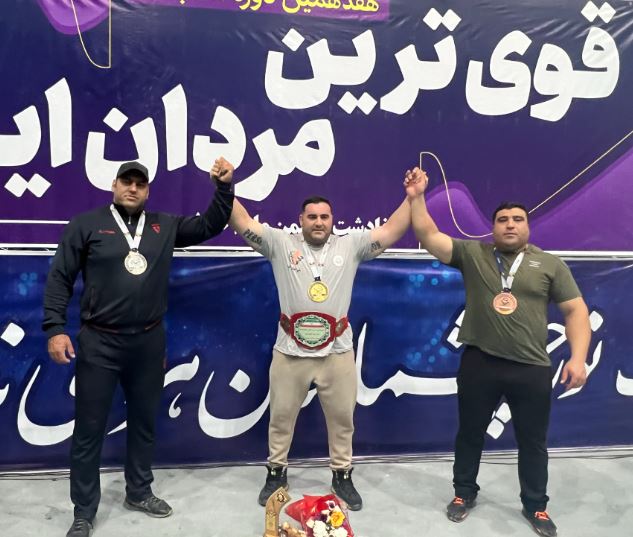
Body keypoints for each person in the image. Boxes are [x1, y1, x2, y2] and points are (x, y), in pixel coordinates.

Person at [43, 160, 234, 537]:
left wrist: (224, 188)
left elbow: (210, 225)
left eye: (140, 184)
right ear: (114, 185)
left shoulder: (164, 226)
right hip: (99, 341)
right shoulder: (86, 224)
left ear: (148, 191)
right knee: (89, 428)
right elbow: (60, 278)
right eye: (126, 182)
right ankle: (84, 511)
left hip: (147, 341)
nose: (133, 188)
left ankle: (139, 491)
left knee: (144, 422)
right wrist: (54, 329)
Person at [405, 167, 590, 537]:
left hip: (531, 368)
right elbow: (428, 235)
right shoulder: (474, 254)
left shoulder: (550, 264)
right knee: (470, 433)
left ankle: (536, 505)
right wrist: (417, 197)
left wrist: (577, 357)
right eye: (502, 220)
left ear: (528, 227)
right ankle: (463, 493)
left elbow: (576, 311)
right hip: (480, 362)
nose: (510, 225)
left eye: (517, 219)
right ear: (492, 227)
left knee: (533, 441)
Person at [227, 159, 413, 511]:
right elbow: (243, 223)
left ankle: (342, 475)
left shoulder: (351, 245)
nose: (318, 222)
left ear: (332, 220)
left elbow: (391, 230)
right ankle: (276, 473)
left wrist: (413, 197)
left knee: (343, 421)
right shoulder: (280, 243)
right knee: (280, 418)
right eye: (311, 216)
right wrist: (225, 187)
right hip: (289, 353)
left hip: (337, 354)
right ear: (301, 219)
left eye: (324, 216)